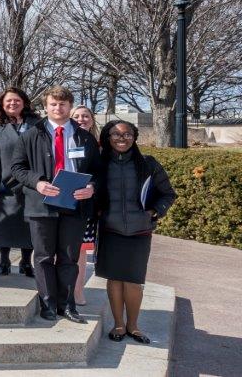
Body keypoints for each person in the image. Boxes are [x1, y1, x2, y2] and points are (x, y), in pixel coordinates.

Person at [11, 86, 100, 323]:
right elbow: (17, 168)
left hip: (74, 206)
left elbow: (98, 172)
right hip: (42, 205)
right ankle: (48, 303)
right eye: (53, 104)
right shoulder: (31, 134)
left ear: (70, 106)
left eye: (62, 104)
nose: (57, 108)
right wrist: (37, 183)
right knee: (42, 257)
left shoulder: (85, 137)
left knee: (69, 258)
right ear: (45, 106)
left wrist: (92, 188)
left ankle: (67, 304)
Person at [94, 120, 176, 344]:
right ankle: (118, 325)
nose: (122, 138)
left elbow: (168, 194)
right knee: (114, 279)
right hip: (111, 229)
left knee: (133, 281)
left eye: (128, 134)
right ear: (108, 137)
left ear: (135, 137)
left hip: (139, 231)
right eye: (116, 134)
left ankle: (133, 325)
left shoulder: (148, 164)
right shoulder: (99, 164)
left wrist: (153, 212)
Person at [0, 87, 38, 278]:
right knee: (4, 225)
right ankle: (4, 261)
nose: (13, 104)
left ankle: (26, 262)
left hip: (29, 181)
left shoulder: (36, 124)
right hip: (3, 181)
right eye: (8, 101)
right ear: (2, 103)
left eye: (17, 100)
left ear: (24, 102)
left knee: (28, 225)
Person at [71, 104, 100, 305]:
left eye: (85, 116)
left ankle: (78, 290)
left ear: (92, 119)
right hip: (65, 202)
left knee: (81, 251)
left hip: (89, 204)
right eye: (77, 116)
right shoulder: (67, 140)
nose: (81, 119)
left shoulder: (100, 144)